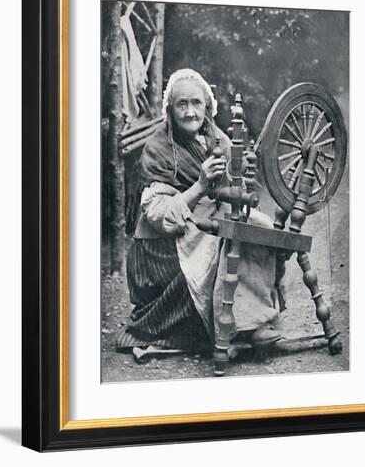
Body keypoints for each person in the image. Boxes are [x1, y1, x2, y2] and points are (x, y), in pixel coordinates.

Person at [116, 69, 282, 357]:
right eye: (182, 104)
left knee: (259, 226)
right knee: (224, 239)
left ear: (208, 107)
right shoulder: (157, 149)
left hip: (202, 222)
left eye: (197, 103)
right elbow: (161, 217)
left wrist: (244, 179)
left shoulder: (217, 138)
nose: (190, 112)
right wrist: (201, 184)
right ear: (170, 110)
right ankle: (232, 328)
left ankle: (254, 319)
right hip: (161, 248)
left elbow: (233, 191)